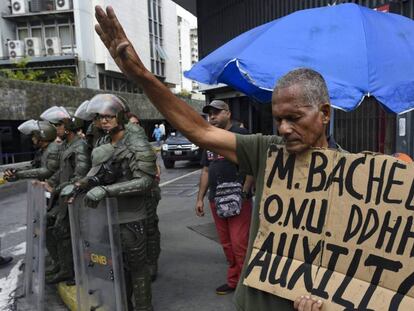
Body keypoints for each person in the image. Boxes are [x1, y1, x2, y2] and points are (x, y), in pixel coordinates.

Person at [95, 6, 330, 310]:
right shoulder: (267, 151)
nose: (284, 128)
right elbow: (199, 130)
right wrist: (142, 76)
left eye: (294, 118)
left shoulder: (360, 177)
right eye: (278, 119)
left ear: (324, 114)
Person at [75, 94, 160, 310]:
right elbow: (97, 171)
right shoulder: (103, 140)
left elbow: (145, 181)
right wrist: (79, 185)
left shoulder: (135, 141)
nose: (104, 121)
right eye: (100, 117)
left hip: (131, 215)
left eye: (109, 116)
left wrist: (106, 190)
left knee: (137, 267)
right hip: (106, 215)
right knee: (116, 267)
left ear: (120, 116)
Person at [196, 100, 253, 295]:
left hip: (237, 199)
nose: (212, 117)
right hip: (216, 199)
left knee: (239, 243)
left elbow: (252, 165)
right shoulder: (209, 139)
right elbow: (205, 170)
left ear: (228, 113)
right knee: (227, 244)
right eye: (210, 114)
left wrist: (244, 192)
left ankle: (247, 284)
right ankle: (233, 280)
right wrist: (199, 198)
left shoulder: (241, 134)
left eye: (217, 113)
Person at [41, 106, 91, 284]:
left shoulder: (80, 147)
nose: (56, 129)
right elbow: (62, 171)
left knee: (73, 235)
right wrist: (50, 183)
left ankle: (75, 272)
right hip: (64, 197)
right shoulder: (67, 146)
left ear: (68, 127)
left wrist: (55, 188)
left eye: (59, 125)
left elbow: (80, 176)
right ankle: (64, 267)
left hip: (75, 198)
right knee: (55, 228)